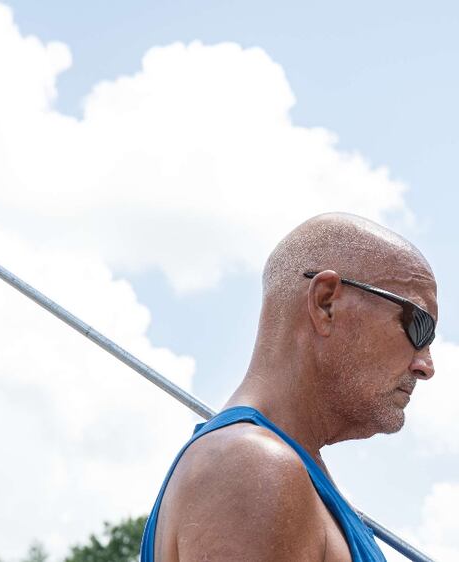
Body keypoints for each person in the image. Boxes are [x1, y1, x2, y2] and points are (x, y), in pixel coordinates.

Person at [140, 213, 437, 561]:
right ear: (326, 302)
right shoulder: (253, 466)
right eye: (418, 326)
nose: (425, 365)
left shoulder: (286, 473)